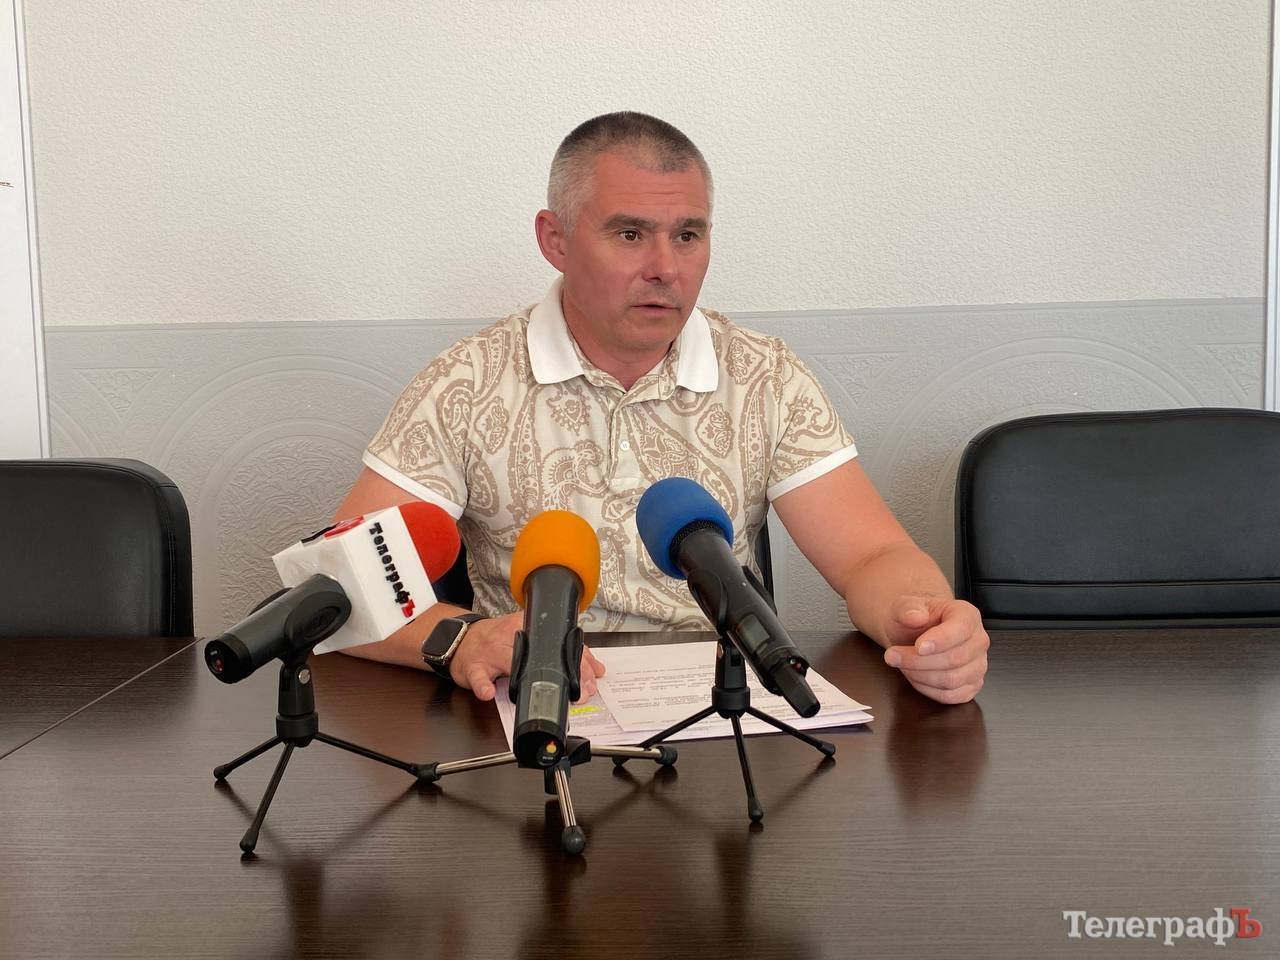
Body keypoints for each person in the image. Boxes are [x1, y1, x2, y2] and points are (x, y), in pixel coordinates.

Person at [334, 111, 988, 705]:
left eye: (688, 235)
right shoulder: (465, 383)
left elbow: (872, 556)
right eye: (630, 234)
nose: (665, 267)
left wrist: (925, 620)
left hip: (722, 711)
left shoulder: (765, 375)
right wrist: (462, 640)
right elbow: (342, 585)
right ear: (555, 239)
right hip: (537, 705)